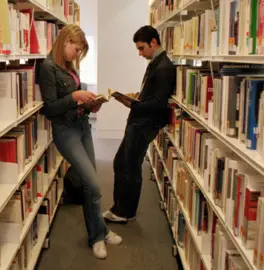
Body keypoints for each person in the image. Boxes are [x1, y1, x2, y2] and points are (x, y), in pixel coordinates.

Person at [38, 24, 122, 259]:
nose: (77, 55)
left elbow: (74, 101)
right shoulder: (47, 67)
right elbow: (50, 107)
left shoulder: (68, 66)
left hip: (82, 126)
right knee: (94, 184)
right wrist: (74, 96)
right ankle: (97, 236)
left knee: (89, 184)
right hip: (66, 131)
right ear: (65, 42)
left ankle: (99, 231)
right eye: (76, 50)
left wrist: (89, 105)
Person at [103, 25, 177, 223]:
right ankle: (120, 207)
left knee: (130, 167)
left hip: (144, 125)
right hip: (139, 121)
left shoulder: (164, 67)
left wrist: (134, 104)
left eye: (142, 48)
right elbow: (152, 95)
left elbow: (159, 103)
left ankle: (125, 211)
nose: (140, 53)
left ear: (154, 42)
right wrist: (137, 97)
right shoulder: (156, 62)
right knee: (122, 163)